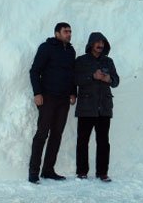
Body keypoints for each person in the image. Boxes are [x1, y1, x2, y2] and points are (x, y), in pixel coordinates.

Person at [28, 22, 77, 184]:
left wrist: (73, 93)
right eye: (65, 31)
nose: (69, 34)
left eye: (70, 31)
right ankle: (33, 172)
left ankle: (48, 170)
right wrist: (37, 93)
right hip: (48, 97)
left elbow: (72, 74)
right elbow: (35, 71)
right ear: (57, 33)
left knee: (57, 135)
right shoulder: (46, 48)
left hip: (63, 100)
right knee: (42, 134)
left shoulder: (71, 51)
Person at [74, 32, 119, 182]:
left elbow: (116, 81)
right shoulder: (81, 61)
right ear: (91, 44)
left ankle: (102, 172)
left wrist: (109, 78)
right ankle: (81, 172)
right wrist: (92, 77)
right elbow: (76, 79)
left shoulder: (109, 61)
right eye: (97, 42)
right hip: (86, 107)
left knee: (103, 142)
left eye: (103, 42)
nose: (100, 45)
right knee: (82, 141)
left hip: (104, 107)